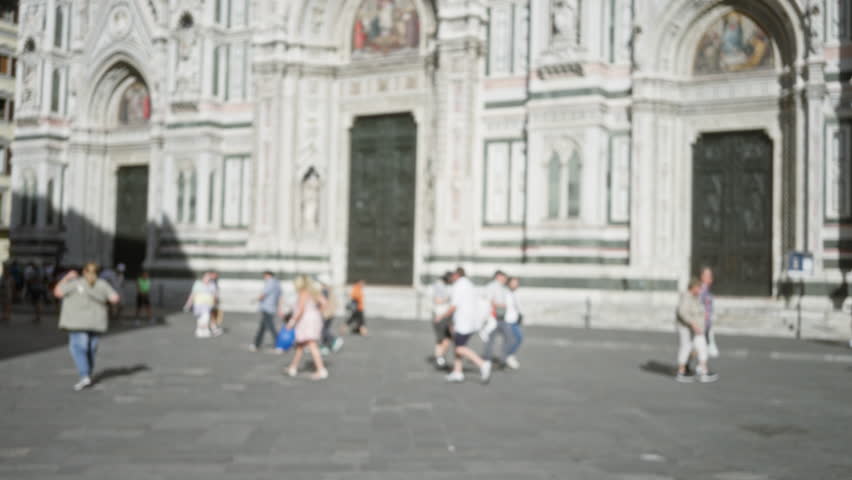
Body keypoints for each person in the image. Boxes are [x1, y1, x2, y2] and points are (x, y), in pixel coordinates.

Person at [53, 263, 120, 391]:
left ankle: (84, 375)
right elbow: (115, 299)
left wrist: (66, 277)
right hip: (96, 323)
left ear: (84, 272)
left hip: (77, 323)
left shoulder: (75, 283)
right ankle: (88, 373)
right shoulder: (102, 284)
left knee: (79, 349)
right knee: (90, 349)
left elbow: (57, 292)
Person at [439, 267, 492, 384]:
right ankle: (457, 372)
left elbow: (454, 305)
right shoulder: (469, 284)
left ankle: (482, 364)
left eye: (452, 276)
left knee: (460, 348)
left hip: (463, 322)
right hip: (471, 321)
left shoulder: (459, 286)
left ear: (456, 275)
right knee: (459, 345)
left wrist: (441, 316)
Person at [285, 275, 328, 380]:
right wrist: (316, 311)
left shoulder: (303, 292)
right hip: (314, 319)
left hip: (306, 321)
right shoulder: (313, 292)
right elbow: (324, 302)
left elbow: (301, 310)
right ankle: (293, 367)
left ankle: (321, 370)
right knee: (300, 345)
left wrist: (292, 321)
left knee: (311, 344)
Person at [676, 277, 718, 383]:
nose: (700, 290)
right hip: (687, 329)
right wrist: (693, 324)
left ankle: (703, 370)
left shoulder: (695, 297)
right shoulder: (686, 297)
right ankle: (681, 371)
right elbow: (682, 312)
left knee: (702, 347)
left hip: (697, 329)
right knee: (686, 347)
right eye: (698, 288)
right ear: (693, 287)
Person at [482, 270, 515, 367]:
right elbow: (488, 300)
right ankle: (487, 360)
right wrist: (499, 306)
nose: (505, 279)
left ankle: (502, 360)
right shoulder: (492, 286)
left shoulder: (503, 288)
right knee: (491, 339)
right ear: (498, 276)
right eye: (504, 277)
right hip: (494, 317)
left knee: (509, 338)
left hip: (501, 317)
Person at [250, 271, 282, 352]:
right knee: (263, 327)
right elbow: (279, 296)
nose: (264, 277)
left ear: (268, 275)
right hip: (272, 307)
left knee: (270, 327)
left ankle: (279, 344)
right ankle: (256, 344)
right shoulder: (277, 283)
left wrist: (255, 300)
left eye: (264, 276)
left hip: (267, 307)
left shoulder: (270, 282)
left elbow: (264, 294)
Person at [184, 272, 222, 338]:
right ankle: (201, 330)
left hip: (208, 304)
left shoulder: (212, 284)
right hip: (199, 304)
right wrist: (188, 304)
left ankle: (204, 330)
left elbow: (215, 295)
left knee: (206, 317)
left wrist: (216, 302)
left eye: (208, 277)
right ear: (203, 277)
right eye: (206, 277)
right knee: (201, 318)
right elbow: (193, 294)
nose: (208, 278)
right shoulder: (198, 284)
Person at [317, 274, 343, 355]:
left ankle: (334, 340)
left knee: (323, 330)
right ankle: (325, 347)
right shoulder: (329, 290)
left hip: (326, 314)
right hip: (330, 313)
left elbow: (322, 303)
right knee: (324, 329)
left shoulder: (324, 290)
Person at [431, 271, 454, 368]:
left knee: (448, 338)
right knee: (440, 338)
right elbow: (437, 300)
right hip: (439, 315)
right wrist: (448, 298)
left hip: (447, 315)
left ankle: (440, 356)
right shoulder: (439, 285)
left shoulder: (446, 286)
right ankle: (439, 357)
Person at [504, 276, 523, 370]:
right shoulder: (506, 293)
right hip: (508, 321)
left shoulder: (515, 293)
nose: (516, 284)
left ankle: (508, 356)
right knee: (516, 339)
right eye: (514, 282)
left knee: (518, 338)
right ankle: (508, 356)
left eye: (517, 282)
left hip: (514, 320)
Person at [699, 267, 719, 358]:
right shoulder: (701, 290)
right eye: (707, 275)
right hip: (702, 322)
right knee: (701, 346)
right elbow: (699, 305)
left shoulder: (706, 289)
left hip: (707, 322)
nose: (710, 278)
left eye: (710, 275)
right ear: (702, 277)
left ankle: (701, 367)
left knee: (703, 346)